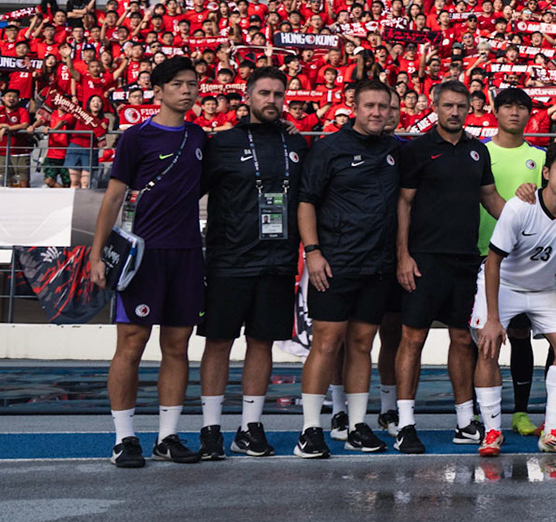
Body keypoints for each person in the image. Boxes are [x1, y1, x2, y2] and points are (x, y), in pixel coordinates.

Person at [87, 57, 207, 469]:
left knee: (177, 347)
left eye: (193, 83)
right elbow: (114, 198)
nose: (187, 90)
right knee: (132, 344)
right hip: (143, 257)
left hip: (188, 253)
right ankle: (124, 438)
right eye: (178, 84)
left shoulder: (199, 135)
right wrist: (96, 254)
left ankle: (168, 436)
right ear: (158, 91)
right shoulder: (135, 137)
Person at [197, 65, 304, 461]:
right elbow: (191, 192)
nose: (272, 101)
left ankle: (250, 427)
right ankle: (210, 428)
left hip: (278, 261)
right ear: (248, 97)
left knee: (262, 343)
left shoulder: (296, 144)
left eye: (278, 94)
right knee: (219, 342)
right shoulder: (222, 143)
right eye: (264, 94)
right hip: (228, 260)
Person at [393, 79, 505, 454]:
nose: (455, 112)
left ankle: (464, 421)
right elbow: (403, 204)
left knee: (461, 339)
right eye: (448, 106)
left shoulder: (478, 151)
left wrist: (533, 226)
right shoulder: (418, 150)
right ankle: (406, 424)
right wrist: (403, 256)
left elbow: (491, 199)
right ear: (435, 106)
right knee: (413, 339)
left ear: (469, 108)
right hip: (423, 259)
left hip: (464, 259)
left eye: (461, 106)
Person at [471, 142, 556, 456]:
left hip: (544, 288)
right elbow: (493, 260)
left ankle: (553, 430)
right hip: (502, 284)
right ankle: (491, 432)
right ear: (546, 173)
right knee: (487, 346)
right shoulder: (520, 207)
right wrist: (492, 318)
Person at [294, 79, 401, 459]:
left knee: (361, 345)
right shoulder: (328, 149)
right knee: (326, 344)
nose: (376, 112)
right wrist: (313, 252)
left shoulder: (395, 149)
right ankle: (310, 430)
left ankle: (357, 425)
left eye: (382, 106)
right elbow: (305, 202)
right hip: (334, 264)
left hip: (377, 266)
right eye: (369, 105)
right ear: (353, 106)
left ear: (391, 110)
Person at [483, 87, 545, 436]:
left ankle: (521, 412)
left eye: (522, 108)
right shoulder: (480, 153)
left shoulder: (539, 157)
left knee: (520, 335)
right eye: (508, 106)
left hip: (523, 260)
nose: (515, 113)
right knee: (476, 339)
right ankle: (480, 414)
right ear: (495, 111)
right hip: (480, 253)